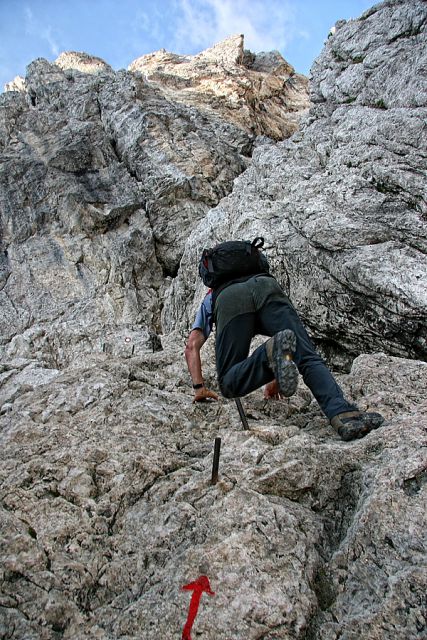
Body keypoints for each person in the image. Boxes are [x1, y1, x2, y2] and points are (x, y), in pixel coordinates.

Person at [185, 261, 384, 442]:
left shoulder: (212, 296)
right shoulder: (258, 276)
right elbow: (286, 347)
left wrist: (199, 387)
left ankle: (269, 355)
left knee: (229, 382)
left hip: (231, 301)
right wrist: (277, 371)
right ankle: (343, 415)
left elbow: (192, 346)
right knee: (306, 355)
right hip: (267, 287)